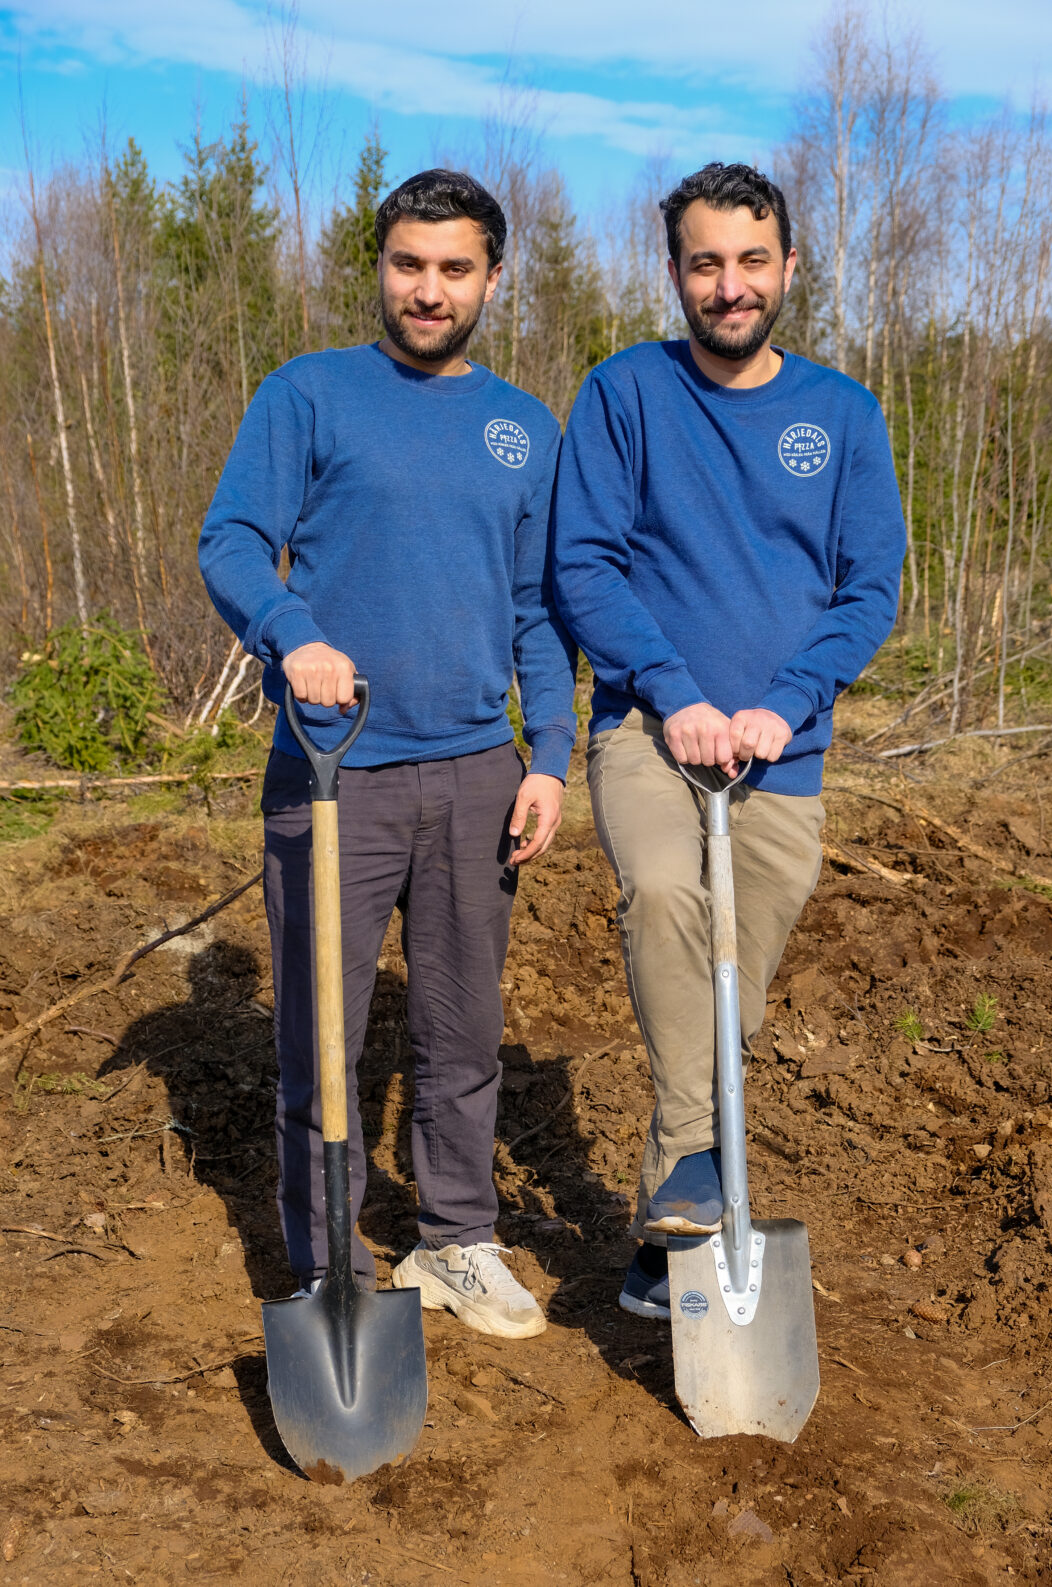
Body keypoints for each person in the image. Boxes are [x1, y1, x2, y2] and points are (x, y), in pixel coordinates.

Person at [199, 169, 576, 1340]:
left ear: (490, 279)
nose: (428, 289)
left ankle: (456, 1241)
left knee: (461, 1031)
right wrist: (294, 635)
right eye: (408, 264)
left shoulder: (523, 428)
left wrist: (549, 755)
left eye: (453, 268)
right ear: (379, 266)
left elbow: (537, 610)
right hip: (333, 771)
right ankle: (324, 1271)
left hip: (476, 773)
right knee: (321, 1037)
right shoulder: (307, 397)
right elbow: (232, 542)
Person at [551, 162, 906, 1321]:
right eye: (704, 261)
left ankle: (671, 1227)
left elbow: (867, 589)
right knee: (664, 899)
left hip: (780, 753)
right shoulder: (624, 394)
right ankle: (703, 1163)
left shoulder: (843, 414)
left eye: (751, 260)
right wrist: (674, 692)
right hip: (652, 737)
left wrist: (785, 700)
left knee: (724, 1005)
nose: (729, 283)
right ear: (675, 273)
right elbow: (581, 566)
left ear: (788, 267)